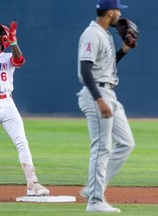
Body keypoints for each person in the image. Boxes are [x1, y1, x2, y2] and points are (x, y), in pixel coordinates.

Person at [0, 21, 50, 201]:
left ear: (3, 42)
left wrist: (14, 42)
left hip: (7, 103)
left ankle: (32, 183)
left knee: (22, 142)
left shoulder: (7, 57)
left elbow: (19, 61)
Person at [77, 0, 136, 213]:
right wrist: (98, 100)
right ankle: (94, 201)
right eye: (118, 10)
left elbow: (105, 67)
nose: (120, 14)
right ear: (110, 12)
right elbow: (85, 69)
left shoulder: (105, 34)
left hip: (109, 91)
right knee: (102, 148)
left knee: (126, 143)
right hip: (98, 93)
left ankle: (93, 188)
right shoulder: (92, 33)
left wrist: (124, 51)